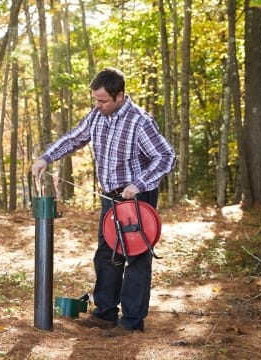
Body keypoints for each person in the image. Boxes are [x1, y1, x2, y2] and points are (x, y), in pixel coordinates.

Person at [31, 67, 176, 337]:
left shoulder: (140, 121)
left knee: (136, 258)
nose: (97, 105)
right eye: (95, 100)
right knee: (108, 253)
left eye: (103, 101)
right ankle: (105, 313)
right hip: (111, 197)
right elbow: (74, 138)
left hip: (137, 197)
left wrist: (139, 184)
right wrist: (45, 158)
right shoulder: (98, 116)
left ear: (120, 96)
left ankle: (131, 322)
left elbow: (166, 157)